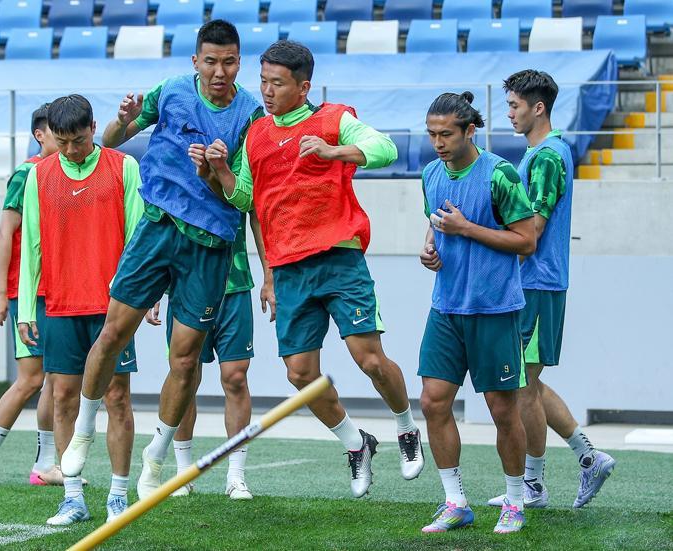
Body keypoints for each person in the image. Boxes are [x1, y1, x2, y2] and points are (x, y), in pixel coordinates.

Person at [193, 40, 425, 499]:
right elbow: (245, 198)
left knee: (369, 359)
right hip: (289, 268)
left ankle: (405, 426)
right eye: (263, 82)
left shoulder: (333, 118)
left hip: (339, 258)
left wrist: (333, 151)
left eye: (277, 83)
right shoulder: (256, 134)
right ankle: (357, 444)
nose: (267, 91)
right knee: (300, 375)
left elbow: (384, 149)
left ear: (303, 87)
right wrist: (218, 170)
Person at [59, 20, 264, 502]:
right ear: (196, 62)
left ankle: (157, 456)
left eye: (229, 62)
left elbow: (245, 197)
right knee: (112, 332)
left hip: (209, 247)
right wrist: (123, 118)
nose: (219, 71)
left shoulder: (251, 115)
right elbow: (113, 139)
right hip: (157, 228)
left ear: (239, 63)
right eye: (210, 61)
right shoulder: (171, 91)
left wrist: (216, 171)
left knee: (186, 359)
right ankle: (84, 431)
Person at [486, 70, 615, 510]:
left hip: (536, 283)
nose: (508, 113)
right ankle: (589, 457)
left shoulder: (545, 157)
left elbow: (533, 231)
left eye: (514, 106)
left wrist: (496, 271)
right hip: (536, 283)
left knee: (522, 386)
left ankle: (534, 485)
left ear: (538, 108)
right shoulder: (543, 154)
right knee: (530, 383)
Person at [17, 94, 144, 525]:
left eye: (78, 140)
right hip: (60, 304)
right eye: (62, 141)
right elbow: (31, 246)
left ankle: (118, 497)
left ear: (93, 128)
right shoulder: (38, 176)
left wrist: (144, 296)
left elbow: (137, 241)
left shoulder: (124, 167)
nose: (70, 150)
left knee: (117, 398)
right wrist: (25, 310)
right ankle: (73, 498)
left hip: (113, 309)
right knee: (63, 397)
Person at [417, 91, 536, 534]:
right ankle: (455, 502)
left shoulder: (500, 174)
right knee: (432, 401)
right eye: (431, 134)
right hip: (446, 308)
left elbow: (526, 241)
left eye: (446, 134)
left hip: (495, 309)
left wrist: (466, 228)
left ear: (470, 131)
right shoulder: (430, 173)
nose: (438, 143)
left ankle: (515, 502)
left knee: (502, 411)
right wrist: (429, 249)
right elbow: (434, 225)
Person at [0, 104, 60, 488]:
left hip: (57, 292)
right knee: (30, 379)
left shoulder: (63, 173)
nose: (66, 139)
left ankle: (45, 465)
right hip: (28, 295)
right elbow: (6, 232)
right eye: (57, 131)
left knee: (56, 379)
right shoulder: (26, 174)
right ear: (40, 135)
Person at [167, 211, 270, 500]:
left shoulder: (238, 178)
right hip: (186, 285)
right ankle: (183, 473)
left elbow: (257, 217)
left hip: (234, 282)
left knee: (235, 377)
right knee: (184, 377)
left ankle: (236, 476)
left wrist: (270, 276)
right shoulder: (175, 178)